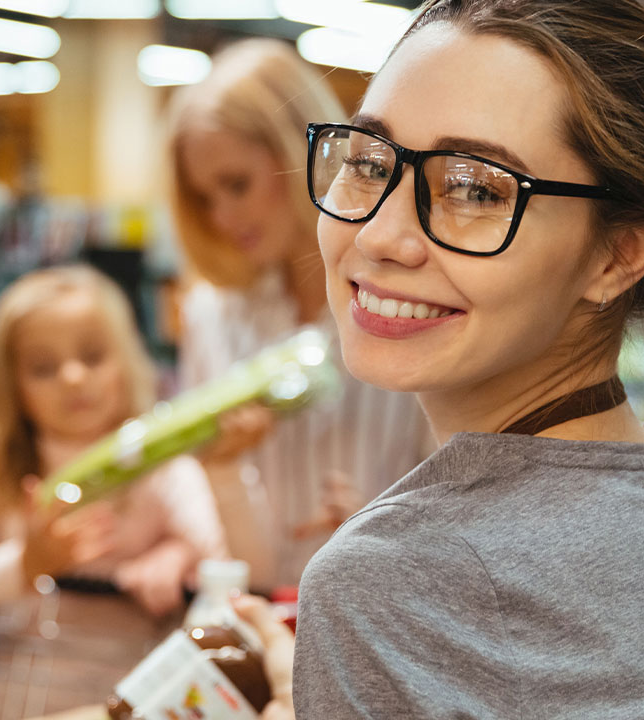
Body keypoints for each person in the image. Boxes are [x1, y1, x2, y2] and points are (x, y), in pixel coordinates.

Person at [292, 0, 644, 716]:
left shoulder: (386, 579)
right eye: (368, 161)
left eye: (475, 188)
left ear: (621, 253)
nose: (383, 235)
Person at [165, 38, 432, 591]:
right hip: (261, 614)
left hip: (388, 612)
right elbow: (208, 509)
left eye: (237, 184)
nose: (222, 216)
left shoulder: (409, 296)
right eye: (204, 197)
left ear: (298, 153)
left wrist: (382, 537)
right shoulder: (212, 316)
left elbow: (454, 501)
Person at [0, 265, 227, 630]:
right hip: (15, 683)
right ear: (11, 387)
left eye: (93, 356)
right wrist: (24, 564)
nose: (73, 378)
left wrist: (182, 554)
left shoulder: (166, 469)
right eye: (43, 367)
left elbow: (233, 571)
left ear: (125, 361)